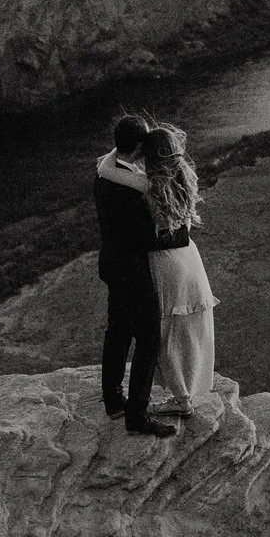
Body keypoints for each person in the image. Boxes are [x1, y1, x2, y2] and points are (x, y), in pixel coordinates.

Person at [100, 122, 215, 418]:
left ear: (146, 154)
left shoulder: (147, 184)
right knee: (186, 329)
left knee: (161, 332)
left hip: (164, 261)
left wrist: (123, 148)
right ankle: (188, 389)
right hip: (189, 259)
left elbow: (104, 168)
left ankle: (180, 397)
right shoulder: (185, 178)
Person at [94, 115, 178, 437]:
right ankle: (137, 417)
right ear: (140, 147)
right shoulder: (128, 188)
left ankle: (113, 401)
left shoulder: (105, 173)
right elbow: (145, 238)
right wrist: (179, 236)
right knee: (148, 337)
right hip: (130, 270)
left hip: (112, 264)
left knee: (117, 330)